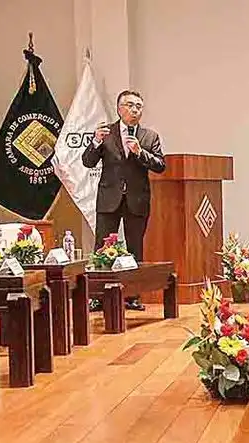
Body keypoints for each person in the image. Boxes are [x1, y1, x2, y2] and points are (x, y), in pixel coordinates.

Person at [83, 89, 166, 311]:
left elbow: (160, 165)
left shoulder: (149, 136)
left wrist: (140, 152)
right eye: (130, 105)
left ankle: (133, 296)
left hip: (137, 199)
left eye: (139, 106)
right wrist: (96, 143)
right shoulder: (105, 132)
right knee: (102, 246)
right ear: (119, 109)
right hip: (109, 198)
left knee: (135, 247)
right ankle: (99, 296)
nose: (135, 110)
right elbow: (87, 162)